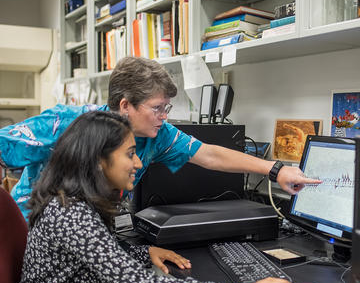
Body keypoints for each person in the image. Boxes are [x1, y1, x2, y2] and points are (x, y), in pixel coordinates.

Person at [16, 111, 302, 283]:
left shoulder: (86, 199)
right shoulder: (71, 214)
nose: (138, 163)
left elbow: (102, 255)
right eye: (130, 154)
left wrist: (145, 252)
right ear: (99, 162)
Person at [0, 56, 320, 219]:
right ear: (125, 105)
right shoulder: (64, 124)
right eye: (157, 108)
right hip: (31, 236)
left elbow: (209, 154)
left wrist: (276, 170)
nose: (164, 117)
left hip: (91, 237)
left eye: (167, 107)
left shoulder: (157, 134)